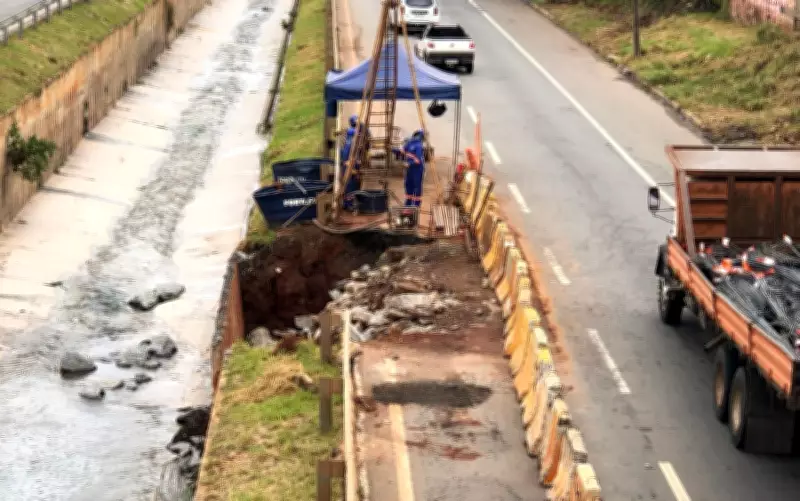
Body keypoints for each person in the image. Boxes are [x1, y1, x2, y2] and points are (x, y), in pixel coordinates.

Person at [394, 129, 425, 207]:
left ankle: (415, 205)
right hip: (410, 169)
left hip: (417, 169)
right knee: (408, 185)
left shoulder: (418, 146)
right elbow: (402, 151)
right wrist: (393, 149)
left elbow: (418, 161)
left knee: (416, 186)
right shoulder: (410, 143)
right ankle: (408, 203)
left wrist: (409, 164)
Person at [339, 126, 361, 210]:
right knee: (350, 186)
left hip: (346, 167)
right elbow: (351, 158)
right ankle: (349, 204)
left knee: (347, 185)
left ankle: (346, 203)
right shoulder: (351, 144)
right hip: (350, 168)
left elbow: (342, 155)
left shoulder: (346, 143)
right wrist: (355, 166)